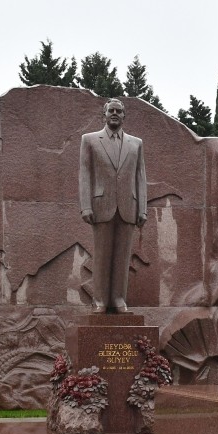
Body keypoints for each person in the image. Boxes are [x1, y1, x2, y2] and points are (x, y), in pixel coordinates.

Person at [78, 97, 148, 313]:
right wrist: (86, 206)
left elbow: (140, 177)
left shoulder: (136, 143)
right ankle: (99, 300)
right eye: (111, 111)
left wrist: (143, 209)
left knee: (122, 257)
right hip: (101, 205)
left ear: (124, 116)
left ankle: (118, 299)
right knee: (101, 256)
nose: (115, 114)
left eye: (119, 111)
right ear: (104, 115)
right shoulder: (89, 140)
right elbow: (85, 173)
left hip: (128, 207)